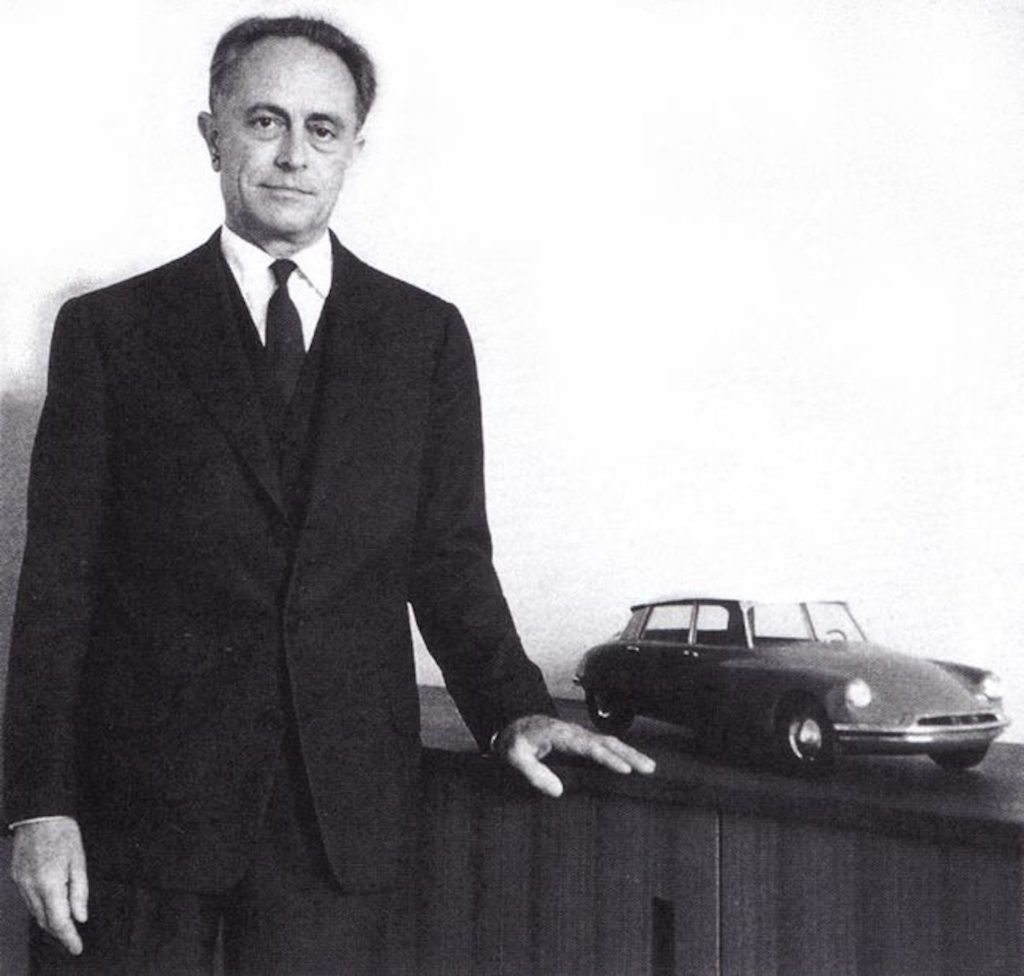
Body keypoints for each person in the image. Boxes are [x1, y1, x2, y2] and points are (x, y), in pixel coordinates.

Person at [3, 15, 654, 974]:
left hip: (337, 823)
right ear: (213, 134)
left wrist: (512, 708)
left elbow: (449, 561)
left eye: (323, 128)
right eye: (264, 121)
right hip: (137, 819)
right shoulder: (110, 332)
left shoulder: (424, 338)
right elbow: (59, 587)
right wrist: (39, 806)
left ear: (354, 148)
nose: (293, 155)